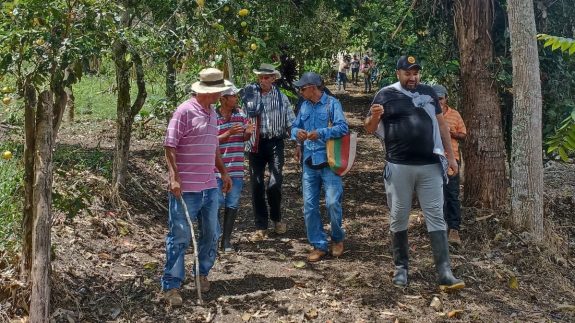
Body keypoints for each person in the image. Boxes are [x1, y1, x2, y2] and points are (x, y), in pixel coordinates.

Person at [364, 55, 464, 291]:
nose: (413, 77)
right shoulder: (385, 94)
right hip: (399, 166)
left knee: (436, 216)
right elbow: (368, 128)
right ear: (398, 73)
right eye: (408, 73)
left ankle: (444, 271)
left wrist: (450, 157)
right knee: (399, 215)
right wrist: (376, 116)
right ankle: (401, 269)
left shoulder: (429, 92)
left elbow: (441, 126)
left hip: (430, 166)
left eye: (416, 72)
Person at [162, 68, 233, 306]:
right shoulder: (184, 111)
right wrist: (174, 177)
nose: (220, 95)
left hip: (209, 186)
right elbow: (169, 145)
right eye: (218, 91)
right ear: (207, 91)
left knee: (211, 233)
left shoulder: (212, 114)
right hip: (187, 189)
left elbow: (212, 147)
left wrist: (223, 172)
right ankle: (172, 285)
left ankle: (201, 273)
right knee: (180, 236)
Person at [291, 72, 349, 262]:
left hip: (330, 162)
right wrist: (297, 135)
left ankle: (337, 238)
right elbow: (294, 127)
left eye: (302, 88)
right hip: (309, 162)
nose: (300, 91)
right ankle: (319, 244)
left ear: (313, 87)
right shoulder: (304, 105)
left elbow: (343, 127)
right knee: (309, 206)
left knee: (332, 202)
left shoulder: (332, 104)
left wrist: (322, 133)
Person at [242, 63, 296, 241]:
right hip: (255, 144)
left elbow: (291, 122)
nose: (263, 80)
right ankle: (260, 227)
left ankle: (277, 218)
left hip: (275, 143)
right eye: (260, 77)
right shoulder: (250, 95)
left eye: (266, 77)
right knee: (256, 184)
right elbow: (242, 118)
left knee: (274, 183)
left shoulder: (282, 98)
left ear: (274, 79)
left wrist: (298, 143)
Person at [216, 86, 254, 252]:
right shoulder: (212, 116)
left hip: (236, 167)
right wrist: (228, 133)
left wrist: (248, 133)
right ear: (223, 99)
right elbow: (209, 142)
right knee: (215, 203)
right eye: (232, 96)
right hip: (216, 168)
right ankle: (214, 238)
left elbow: (244, 136)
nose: (236, 98)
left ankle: (226, 240)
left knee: (232, 203)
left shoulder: (241, 114)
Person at [432, 84, 467, 246]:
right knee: (435, 194)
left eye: (440, 98)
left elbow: (463, 134)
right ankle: (438, 228)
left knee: (452, 193)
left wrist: (450, 132)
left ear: (446, 98)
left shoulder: (455, 115)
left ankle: (454, 229)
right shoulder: (427, 113)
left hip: (451, 159)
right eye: (435, 99)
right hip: (432, 160)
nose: (438, 102)